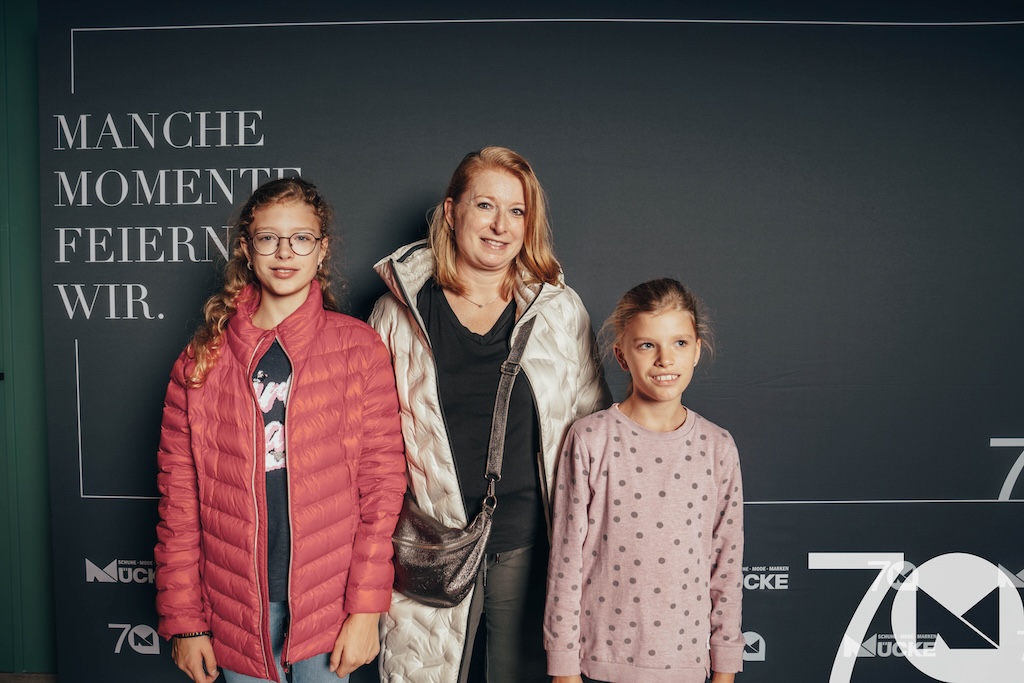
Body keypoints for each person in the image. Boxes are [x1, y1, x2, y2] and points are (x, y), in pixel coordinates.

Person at [369, 146, 610, 683]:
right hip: (428, 549)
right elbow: (369, 452)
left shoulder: (560, 311)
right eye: (485, 205)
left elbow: (593, 437)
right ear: (451, 212)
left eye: (517, 211)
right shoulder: (396, 313)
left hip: (529, 547)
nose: (501, 226)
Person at [154, 177, 407, 683]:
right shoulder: (200, 361)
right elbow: (178, 501)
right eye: (268, 238)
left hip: (329, 603)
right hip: (235, 604)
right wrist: (185, 622)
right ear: (246, 249)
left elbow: (381, 491)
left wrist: (365, 610)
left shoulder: (358, 349)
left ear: (322, 249)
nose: (284, 252)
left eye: (301, 238)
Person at [544, 278, 744, 683]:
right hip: (599, 665)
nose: (665, 360)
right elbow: (566, 561)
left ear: (696, 350)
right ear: (622, 355)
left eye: (679, 343)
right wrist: (563, 668)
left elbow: (726, 567)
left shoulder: (717, 447)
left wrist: (725, 668)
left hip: (686, 666)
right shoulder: (590, 439)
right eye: (647, 345)